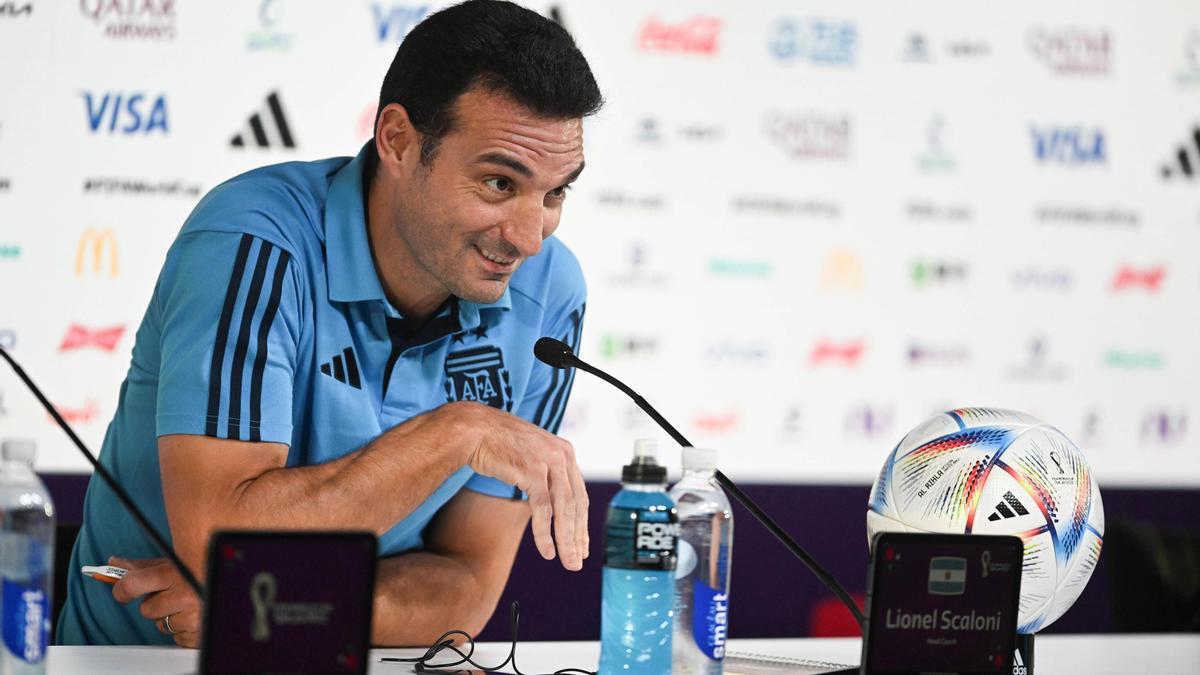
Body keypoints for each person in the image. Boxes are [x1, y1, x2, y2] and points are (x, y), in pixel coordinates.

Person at [57, 0, 602, 648]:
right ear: (397, 140)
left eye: (556, 193)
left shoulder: (552, 292)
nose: (529, 238)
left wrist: (282, 603)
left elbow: (468, 586)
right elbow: (218, 540)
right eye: (497, 183)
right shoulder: (253, 241)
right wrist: (459, 432)